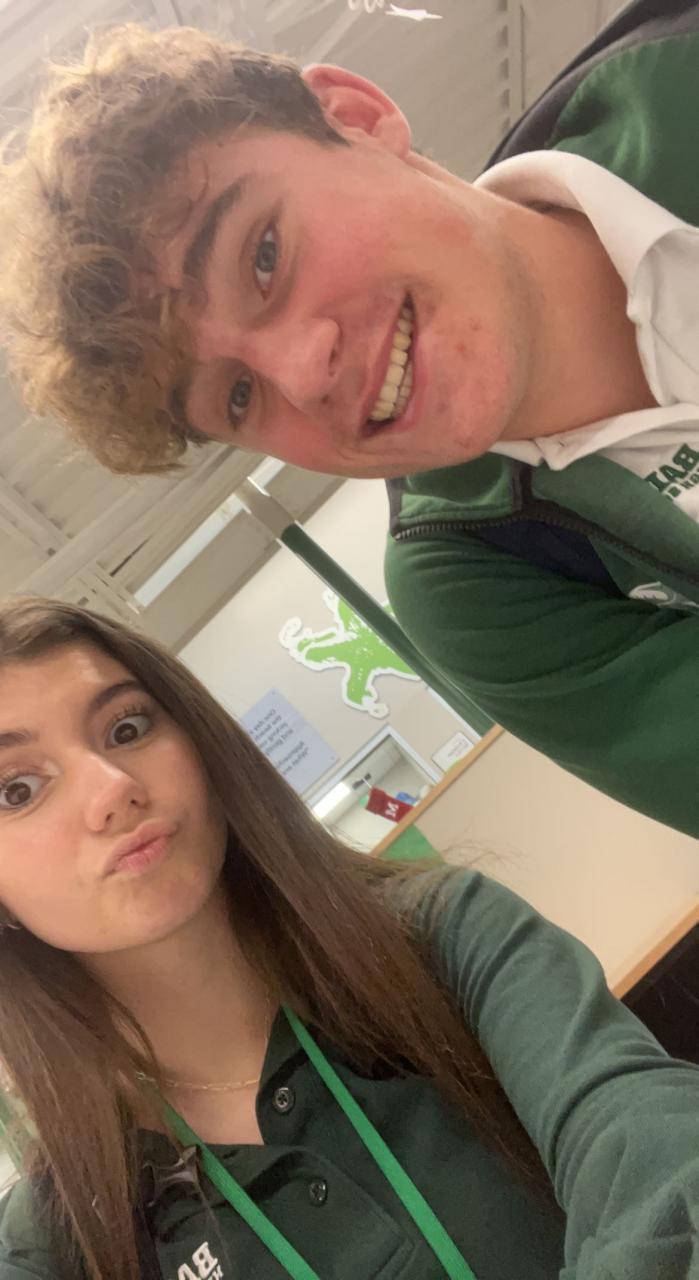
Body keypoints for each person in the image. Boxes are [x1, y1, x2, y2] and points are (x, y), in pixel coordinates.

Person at [0, 7, 698, 835]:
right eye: (237, 395)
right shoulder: (472, 583)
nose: (301, 373)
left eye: (263, 256)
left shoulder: (675, 72)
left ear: (357, 118)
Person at [0, 596, 697, 1280]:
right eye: (18, 790)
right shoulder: (59, 1234)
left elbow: (651, 1146)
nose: (112, 788)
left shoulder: (438, 935)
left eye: (126, 728)